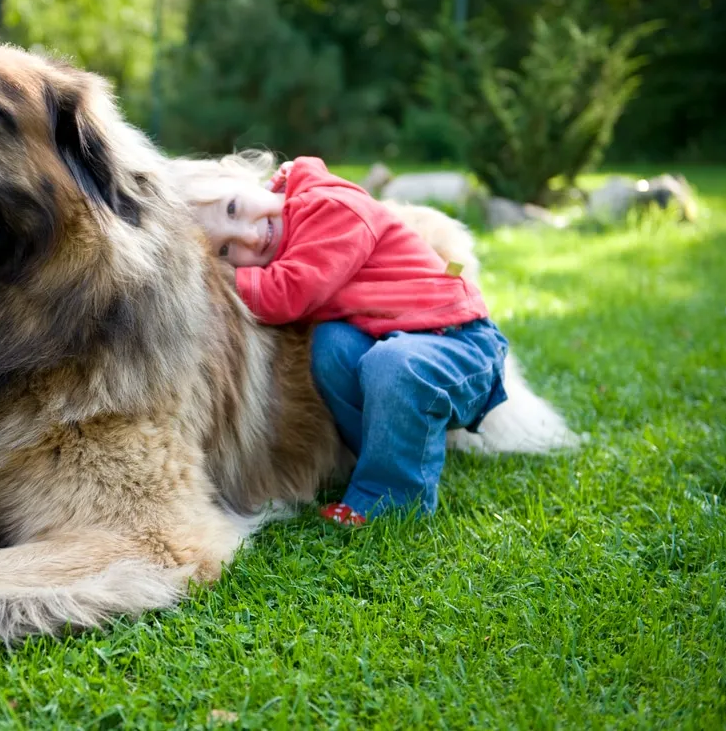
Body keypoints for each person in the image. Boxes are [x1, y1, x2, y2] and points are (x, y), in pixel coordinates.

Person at [176, 153, 509, 525]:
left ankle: (394, 499)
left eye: (234, 209)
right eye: (226, 249)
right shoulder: (294, 224)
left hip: (459, 341)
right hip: (403, 339)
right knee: (331, 346)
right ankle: (388, 456)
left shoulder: (330, 209)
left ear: (242, 174)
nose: (250, 236)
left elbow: (290, 291)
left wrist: (224, 277)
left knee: (394, 366)